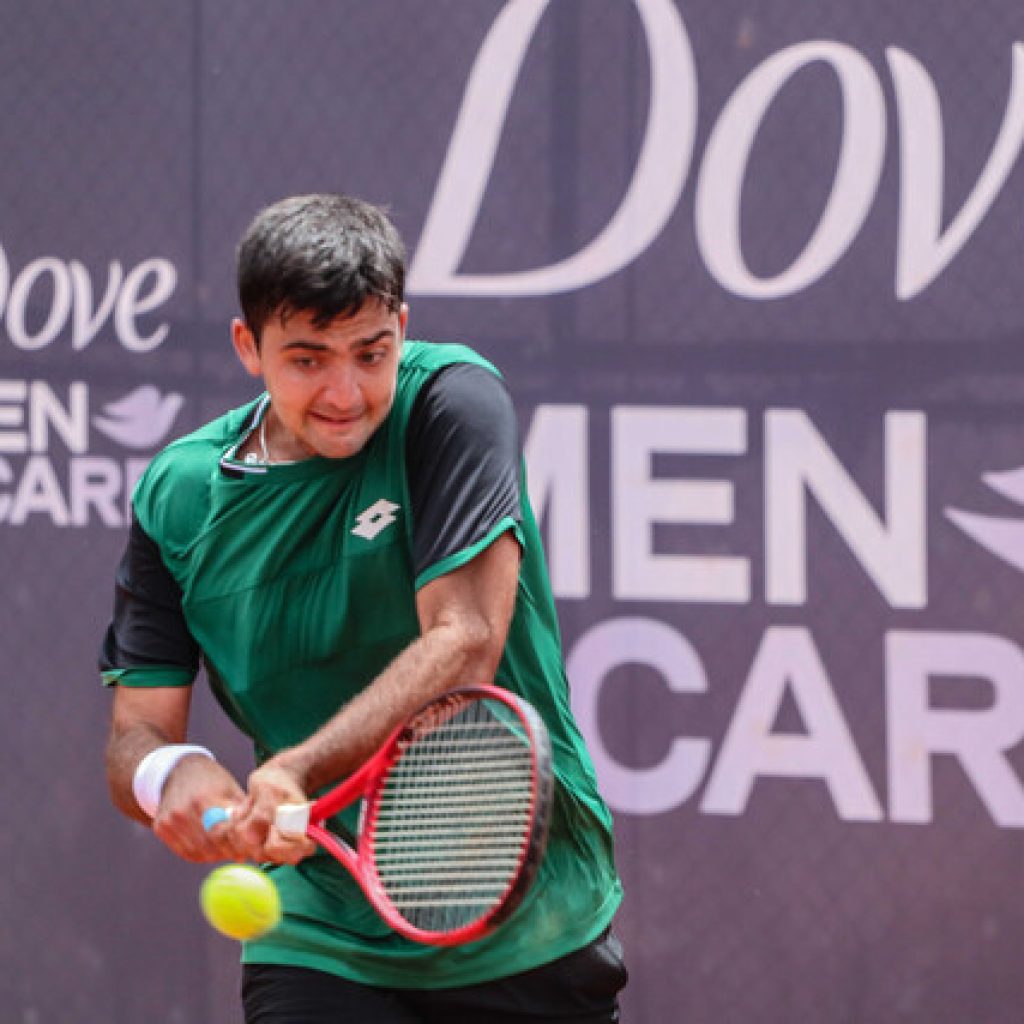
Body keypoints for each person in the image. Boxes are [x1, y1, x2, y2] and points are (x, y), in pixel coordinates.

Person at [100, 193, 626, 1023]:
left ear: (402, 330)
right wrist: (171, 772)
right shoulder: (180, 496)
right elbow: (137, 730)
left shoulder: (451, 402)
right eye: (308, 359)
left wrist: (297, 770)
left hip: (526, 915)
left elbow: (465, 639)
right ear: (248, 346)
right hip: (316, 929)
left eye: (370, 353)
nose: (344, 391)